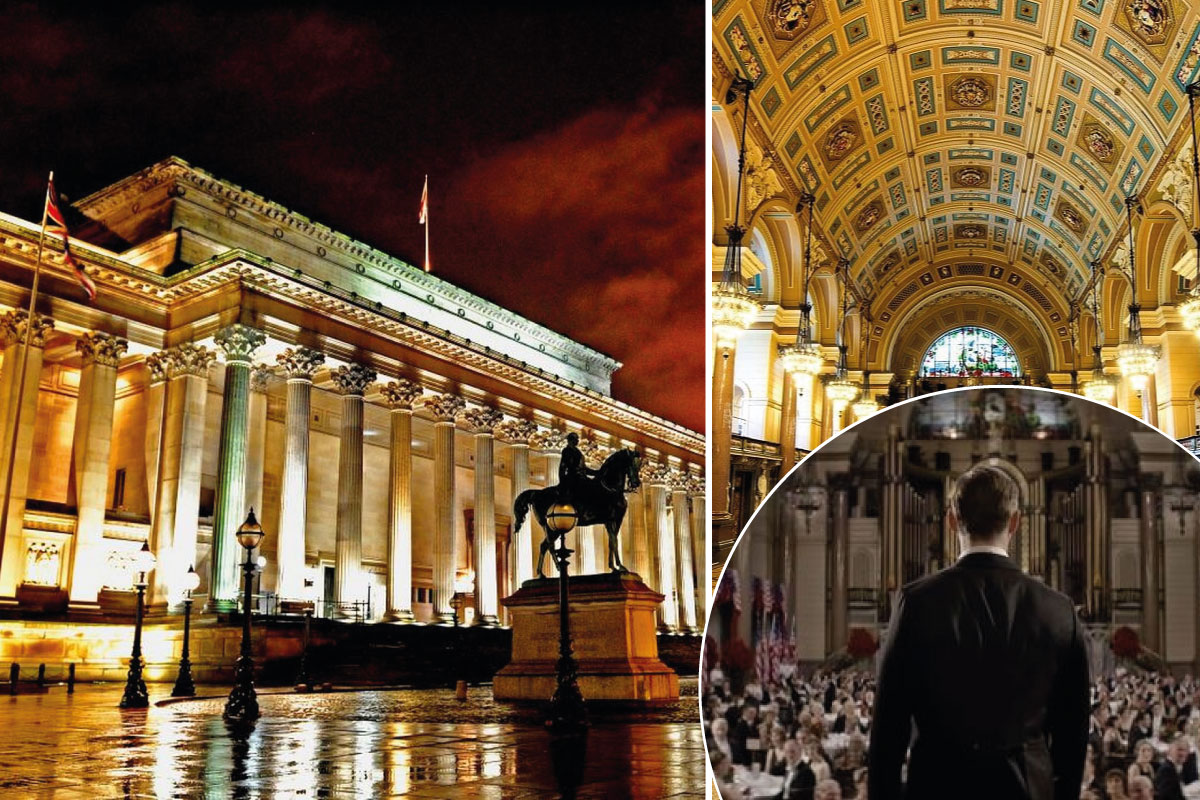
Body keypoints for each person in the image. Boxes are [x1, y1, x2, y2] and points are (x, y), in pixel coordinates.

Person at [867, 464, 1090, 800]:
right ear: (1015, 522)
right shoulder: (1058, 609)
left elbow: (889, 727)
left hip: (938, 787)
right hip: (1027, 789)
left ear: (952, 520)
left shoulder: (917, 602)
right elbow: (1072, 735)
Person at [556, 432, 597, 500]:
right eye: (576, 439)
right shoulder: (566, 451)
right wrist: (562, 481)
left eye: (577, 439)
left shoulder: (578, 452)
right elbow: (563, 467)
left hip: (581, 476)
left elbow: (583, 467)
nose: (578, 441)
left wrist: (596, 472)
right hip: (573, 477)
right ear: (571, 440)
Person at [1154, 734, 1191, 800]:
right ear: (1170, 750)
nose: (1183, 753)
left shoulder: (1174, 767)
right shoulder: (1166, 770)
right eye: (1179, 749)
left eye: (1185, 750)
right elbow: (1166, 797)